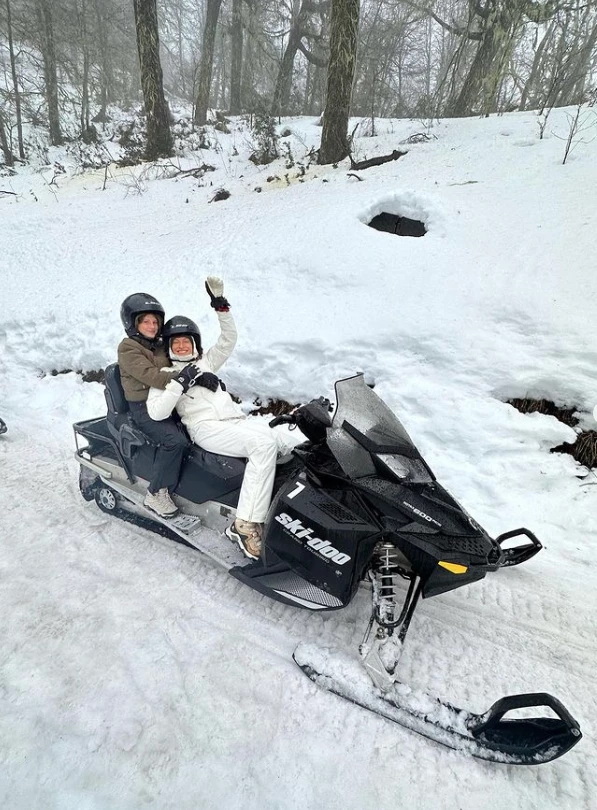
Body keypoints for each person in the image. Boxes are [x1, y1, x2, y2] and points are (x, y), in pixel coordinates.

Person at [146, 277, 298, 560]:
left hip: (235, 421)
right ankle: (246, 524)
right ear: (168, 347)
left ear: (194, 343)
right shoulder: (163, 375)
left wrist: (221, 306)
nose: (181, 346)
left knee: (289, 444)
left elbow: (229, 340)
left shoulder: (206, 363)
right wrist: (179, 382)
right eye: (175, 343)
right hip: (205, 430)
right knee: (262, 447)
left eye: (185, 341)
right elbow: (157, 412)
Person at [118, 292, 193, 519]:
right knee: (175, 441)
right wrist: (185, 378)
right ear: (133, 324)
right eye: (145, 321)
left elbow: (183, 357)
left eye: (155, 321)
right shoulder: (128, 348)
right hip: (143, 408)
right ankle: (155, 492)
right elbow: (151, 376)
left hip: (167, 399)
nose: (152, 326)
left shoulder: (159, 344)